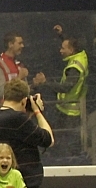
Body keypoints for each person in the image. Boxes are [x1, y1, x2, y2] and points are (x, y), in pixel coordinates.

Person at [0, 79, 54, 188]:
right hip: (23, 184)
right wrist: (37, 111)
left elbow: (19, 135)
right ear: (23, 101)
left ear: (4, 97)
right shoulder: (18, 119)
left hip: (2, 183)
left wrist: (28, 114)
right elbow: (49, 140)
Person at [33, 26, 88, 155]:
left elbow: (66, 87)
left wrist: (45, 83)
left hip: (70, 112)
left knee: (66, 142)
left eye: (63, 48)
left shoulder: (74, 68)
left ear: (71, 50)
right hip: (68, 109)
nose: (60, 50)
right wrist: (61, 35)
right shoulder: (81, 55)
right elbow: (72, 43)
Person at [0, 33, 28, 105]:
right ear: (10, 44)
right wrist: (19, 78)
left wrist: (35, 83)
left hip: (19, 108)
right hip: (4, 109)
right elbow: (0, 92)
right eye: (19, 43)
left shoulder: (19, 64)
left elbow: (23, 91)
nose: (22, 46)